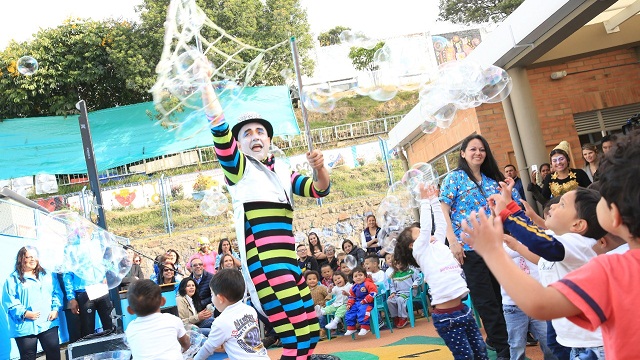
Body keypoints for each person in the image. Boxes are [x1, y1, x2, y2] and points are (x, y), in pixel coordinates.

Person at [460, 130, 640, 359]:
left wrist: (492, 251)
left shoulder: (612, 267)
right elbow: (541, 247)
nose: (553, 207)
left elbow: (540, 302)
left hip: (592, 349)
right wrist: (512, 216)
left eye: (603, 197)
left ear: (613, 215)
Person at [202, 72, 331, 360]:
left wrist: (320, 167)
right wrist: (205, 86)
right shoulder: (239, 170)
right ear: (238, 144)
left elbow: (319, 189)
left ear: (269, 139)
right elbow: (219, 128)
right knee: (295, 337)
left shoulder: (283, 170)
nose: (255, 136)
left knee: (310, 333)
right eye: (246, 133)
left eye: (260, 131)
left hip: (290, 263)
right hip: (267, 266)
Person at [477, 179, 607, 359]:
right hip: (570, 335)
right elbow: (534, 232)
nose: (552, 207)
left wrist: (506, 215)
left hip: (591, 346)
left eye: (561, 205)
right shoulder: (562, 237)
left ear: (577, 225)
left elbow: (537, 241)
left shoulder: (580, 244)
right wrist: (510, 204)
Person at [439, 134, 519, 359]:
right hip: (469, 249)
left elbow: (500, 211)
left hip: (494, 247)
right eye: (472, 149)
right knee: (486, 301)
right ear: (463, 153)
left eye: (482, 149)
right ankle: (505, 350)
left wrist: (507, 194)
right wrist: (452, 241)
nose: (478, 153)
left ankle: (501, 341)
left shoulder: (491, 180)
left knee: (502, 296)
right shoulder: (454, 179)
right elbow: (442, 211)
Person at [394, 184, 488, 360]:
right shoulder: (421, 252)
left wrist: (434, 200)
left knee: (481, 353)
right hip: (447, 318)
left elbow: (442, 223)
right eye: (420, 233)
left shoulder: (436, 243)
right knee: (466, 357)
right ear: (413, 245)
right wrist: (424, 200)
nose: (425, 233)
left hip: (463, 310)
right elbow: (427, 226)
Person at [2, 246, 63, 360]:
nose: (33, 259)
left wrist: (55, 309)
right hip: (25, 326)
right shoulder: (12, 280)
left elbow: (57, 292)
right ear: (21, 259)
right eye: (29, 257)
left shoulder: (47, 275)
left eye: (35, 256)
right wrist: (24, 313)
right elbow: (9, 301)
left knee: (54, 353)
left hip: (48, 322)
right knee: (28, 357)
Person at [194, 269, 269, 360]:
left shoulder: (221, 322)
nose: (212, 298)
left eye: (212, 294)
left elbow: (207, 348)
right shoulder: (250, 310)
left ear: (220, 298)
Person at [501, 235, 555, 360]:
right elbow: (505, 252)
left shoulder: (537, 239)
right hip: (514, 306)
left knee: (548, 341)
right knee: (517, 345)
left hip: (538, 302)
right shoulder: (503, 243)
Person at [125, 280, 190, 360]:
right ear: (163, 301)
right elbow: (186, 343)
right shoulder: (172, 320)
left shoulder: (130, 328)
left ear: (130, 310)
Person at [63, 271, 114, 338]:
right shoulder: (71, 260)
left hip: (101, 288)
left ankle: (113, 346)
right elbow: (67, 275)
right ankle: (89, 347)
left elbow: (104, 264)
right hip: (84, 291)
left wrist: (105, 276)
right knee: (87, 329)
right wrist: (71, 298)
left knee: (109, 324)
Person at [386, 253, 421, 329]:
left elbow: (418, 278)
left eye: (399, 261)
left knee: (400, 299)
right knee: (390, 300)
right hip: (398, 293)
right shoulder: (393, 274)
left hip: (409, 292)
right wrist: (393, 293)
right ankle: (396, 317)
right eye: (395, 262)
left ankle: (403, 317)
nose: (397, 264)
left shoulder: (411, 270)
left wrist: (415, 284)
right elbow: (392, 286)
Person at [343, 266, 377, 336]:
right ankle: (351, 328)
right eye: (355, 276)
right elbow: (352, 297)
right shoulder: (354, 287)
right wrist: (349, 304)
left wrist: (365, 300)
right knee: (350, 310)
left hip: (368, 303)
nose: (358, 277)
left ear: (365, 276)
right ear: (353, 278)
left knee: (362, 310)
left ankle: (365, 327)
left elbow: (373, 292)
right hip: (357, 303)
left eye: (360, 275)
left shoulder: (368, 283)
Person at [305, 270, 330, 340]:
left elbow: (329, 293)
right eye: (309, 279)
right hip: (311, 309)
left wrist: (326, 301)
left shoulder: (321, 288)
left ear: (317, 279)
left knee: (321, 317)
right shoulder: (305, 290)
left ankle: (322, 330)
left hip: (322, 307)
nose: (312, 281)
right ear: (306, 281)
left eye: (314, 279)